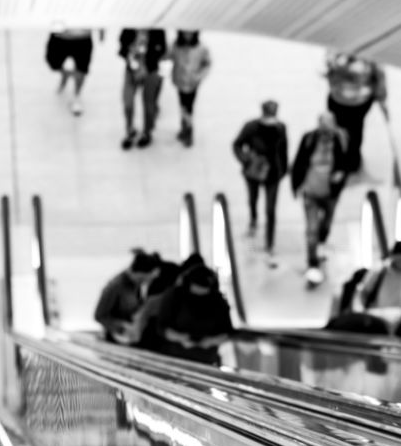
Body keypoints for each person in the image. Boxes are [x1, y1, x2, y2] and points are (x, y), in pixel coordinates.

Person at [136, 257, 235, 366]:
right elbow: (161, 328)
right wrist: (181, 338)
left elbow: (227, 332)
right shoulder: (173, 296)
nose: (199, 298)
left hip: (207, 359)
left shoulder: (218, 301)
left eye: (203, 293)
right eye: (196, 292)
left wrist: (210, 341)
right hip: (175, 358)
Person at [289, 112, 349, 285]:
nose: (325, 132)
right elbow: (299, 161)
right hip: (311, 192)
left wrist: (341, 174)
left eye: (328, 128)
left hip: (331, 193)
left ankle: (321, 244)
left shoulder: (341, 139)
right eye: (322, 127)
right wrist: (296, 185)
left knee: (326, 224)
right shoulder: (309, 139)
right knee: (311, 229)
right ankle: (312, 262)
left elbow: (348, 161)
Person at [232, 101, 289, 264]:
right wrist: (246, 160)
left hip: (273, 173)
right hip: (254, 171)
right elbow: (237, 145)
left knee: (271, 209)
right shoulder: (251, 127)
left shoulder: (280, 128)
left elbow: (284, 148)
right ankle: (253, 220)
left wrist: (283, 169)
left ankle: (269, 243)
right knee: (253, 198)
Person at [326, 241, 401, 332]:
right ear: (393, 257)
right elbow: (362, 292)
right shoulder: (380, 271)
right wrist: (360, 313)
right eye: (399, 259)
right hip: (378, 316)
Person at [324, 51, 386, 178]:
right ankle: (349, 164)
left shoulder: (341, 52)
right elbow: (378, 75)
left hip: (345, 100)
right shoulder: (369, 58)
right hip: (354, 102)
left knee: (343, 132)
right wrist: (381, 97)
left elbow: (329, 66)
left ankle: (343, 164)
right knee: (353, 132)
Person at [94, 249, 165, 344]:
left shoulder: (136, 284)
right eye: (146, 278)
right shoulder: (115, 286)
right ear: (140, 274)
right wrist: (122, 327)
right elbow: (99, 315)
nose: (147, 281)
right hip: (118, 337)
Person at [117, 28, 168, 150]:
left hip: (150, 70)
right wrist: (130, 55)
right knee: (127, 101)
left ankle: (147, 132)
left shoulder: (157, 31)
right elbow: (122, 47)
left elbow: (162, 50)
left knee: (148, 104)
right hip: (132, 70)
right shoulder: (129, 29)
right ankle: (130, 130)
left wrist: (147, 64)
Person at [169, 31, 212, 147]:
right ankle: (184, 129)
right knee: (183, 107)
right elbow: (169, 55)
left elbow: (207, 64)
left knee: (188, 108)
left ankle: (188, 132)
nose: (187, 35)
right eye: (185, 33)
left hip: (192, 84)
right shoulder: (176, 45)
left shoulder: (201, 48)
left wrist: (198, 76)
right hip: (180, 82)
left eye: (190, 33)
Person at [45, 28, 93, 116]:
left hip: (82, 36)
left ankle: (76, 96)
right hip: (59, 34)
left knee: (81, 69)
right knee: (53, 62)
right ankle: (65, 75)